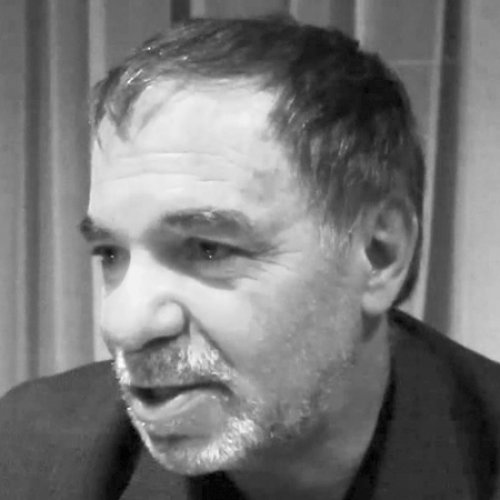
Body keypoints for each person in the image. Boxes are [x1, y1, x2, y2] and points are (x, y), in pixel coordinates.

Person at [1, 16, 500, 500]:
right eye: (110, 253)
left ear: (379, 253)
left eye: (208, 249)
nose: (124, 325)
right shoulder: (32, 455)